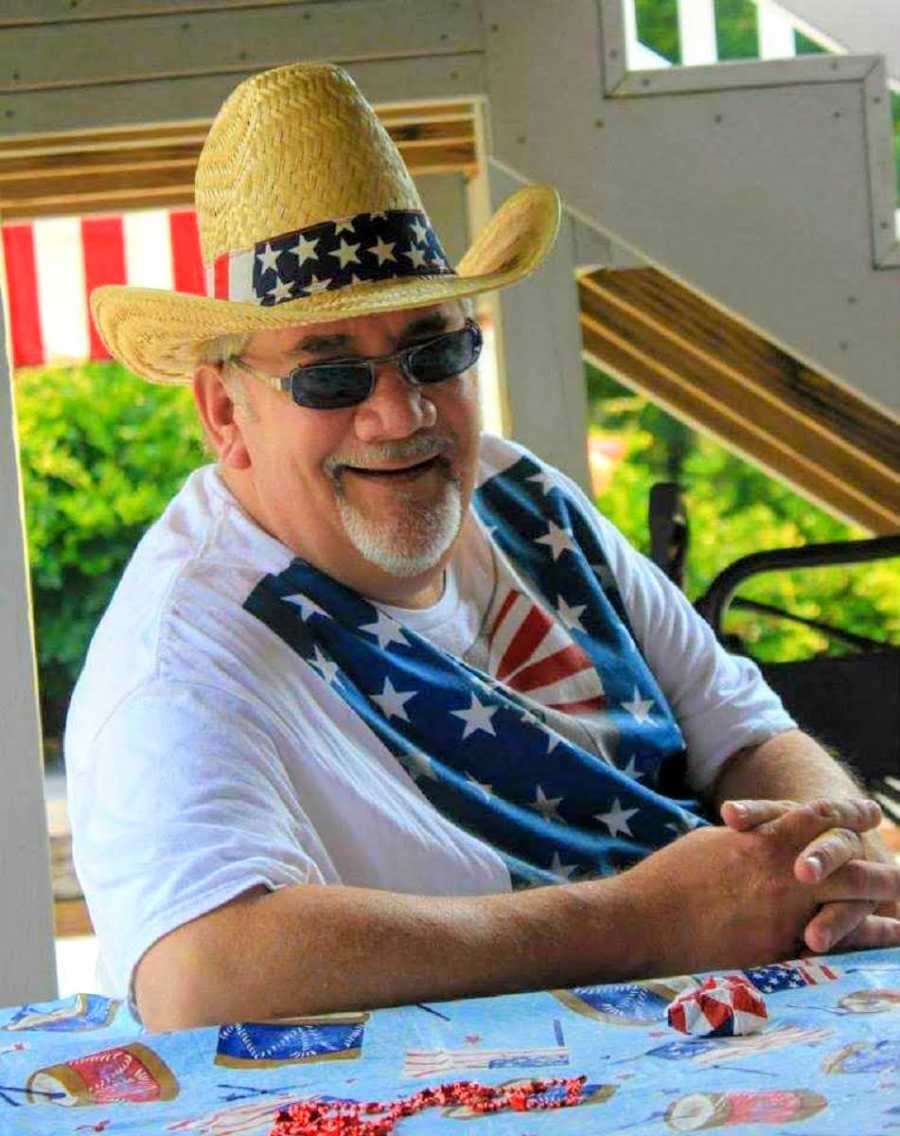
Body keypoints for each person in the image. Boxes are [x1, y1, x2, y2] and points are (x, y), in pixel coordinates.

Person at [68, 62, 900, 1033]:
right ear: (225, 411)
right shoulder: (180, 656)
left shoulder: (516, 489)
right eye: (332, 373)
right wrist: (646, 921)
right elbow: (203, 973)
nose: (401, 412)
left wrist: (826, 850)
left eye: (437, 350)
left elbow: (749, 731)